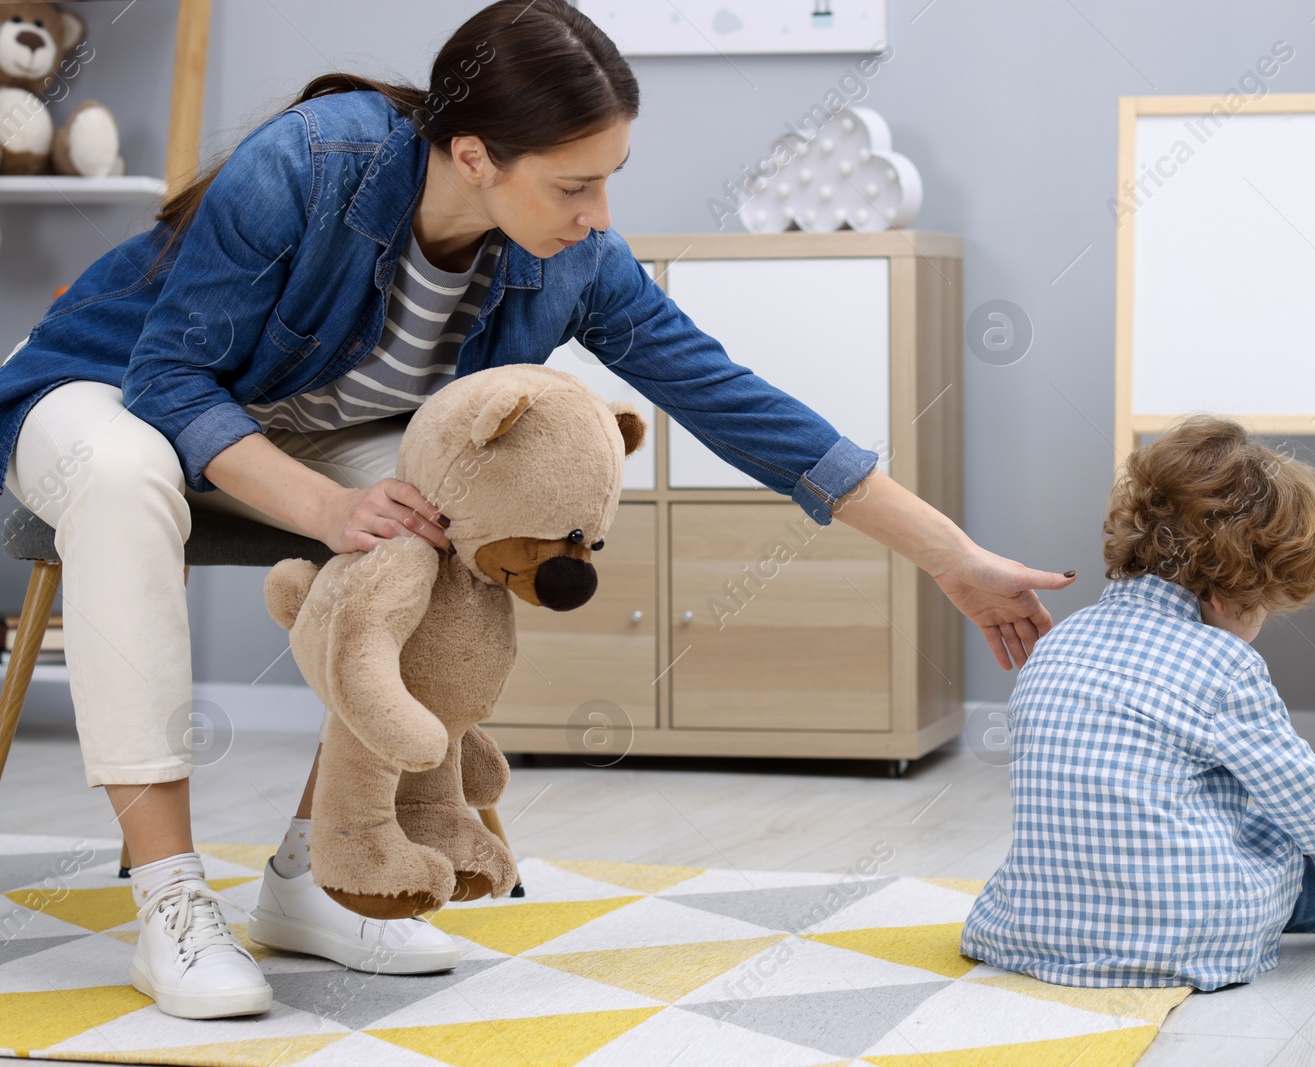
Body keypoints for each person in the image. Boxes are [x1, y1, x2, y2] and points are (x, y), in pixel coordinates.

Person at [0, 1, 1073, 1019]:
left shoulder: (572, 261)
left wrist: (952, 556)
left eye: (608, 180)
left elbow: (731, 400)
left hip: (292, 424)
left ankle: (320, 869)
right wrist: (330, 508)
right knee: (127, 477)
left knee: (472, 508)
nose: (598, 215)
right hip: (108, 387)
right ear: (475, 156)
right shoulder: (311, 162)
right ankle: (169, 895)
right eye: (573, 185)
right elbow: (174, 384)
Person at [960, 415, 1315, 991]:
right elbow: (1305, 791)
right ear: (1223, 596)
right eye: (1263, 604)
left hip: (1039, 928)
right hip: (1182, 933)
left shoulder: (1058, 644)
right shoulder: (1223, 666)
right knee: (1310, 881)